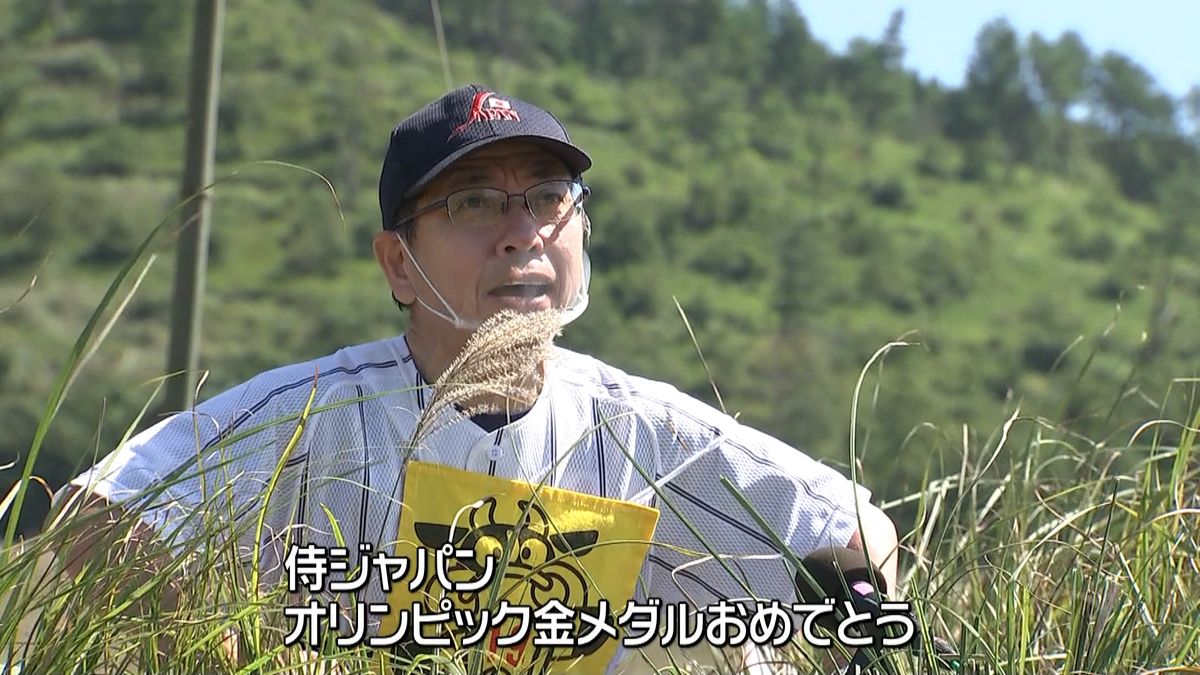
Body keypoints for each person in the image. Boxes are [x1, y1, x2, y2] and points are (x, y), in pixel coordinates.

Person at [55, 84, 898, 673]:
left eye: (548, 197)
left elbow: (852, 529)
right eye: (473, 203)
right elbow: (92, 516)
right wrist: (232, 659)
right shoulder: (319, 417)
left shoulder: (642, 433)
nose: (522, 232)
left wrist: (849, 604)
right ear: (398, 262)